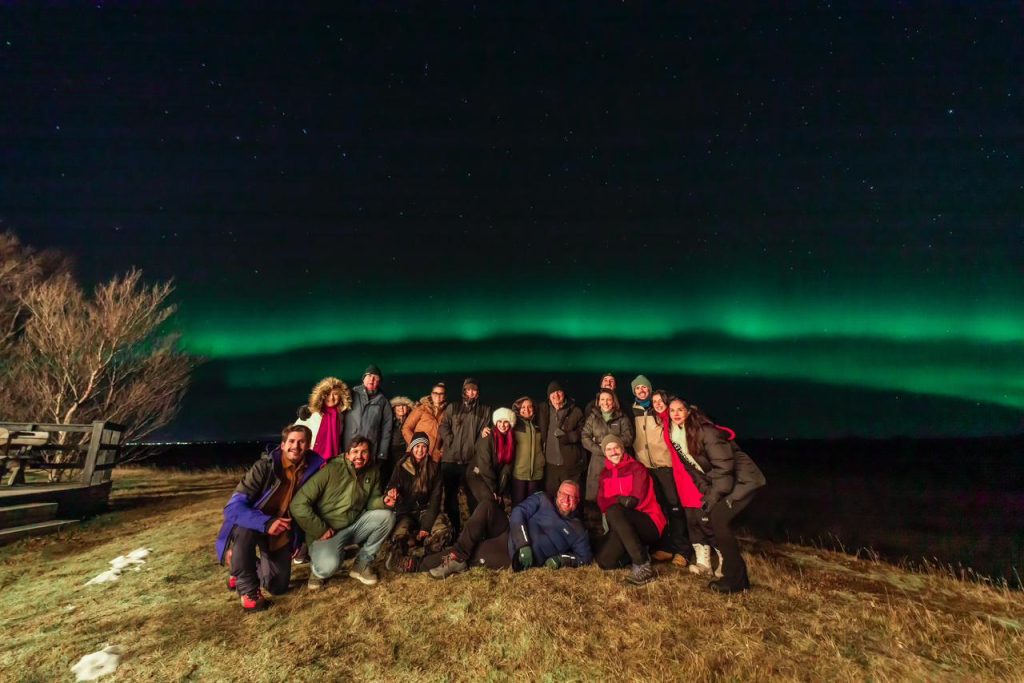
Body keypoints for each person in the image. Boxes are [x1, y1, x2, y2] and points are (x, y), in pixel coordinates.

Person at [215, 424, 325, 612]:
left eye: (301, 442)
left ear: (308, 446)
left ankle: (239, 564)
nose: (295, 446)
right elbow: (233, 507)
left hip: (281, 529)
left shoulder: (314, 470)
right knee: (244, 530)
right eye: (291, 441)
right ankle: (248, 590)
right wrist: (266, 522)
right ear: (282, 445)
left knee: (278, 587)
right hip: (254, 523)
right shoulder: (264, 467)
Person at [667, 398, 766, 593]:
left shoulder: (706, 432)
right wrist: (707, 492)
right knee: (717, 520)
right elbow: (694, 470)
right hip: (725, 484)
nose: (676, 414)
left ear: (688, 411)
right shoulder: (677, 437)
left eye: (680, 409)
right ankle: (738, 578)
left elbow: (724, 469)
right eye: (672, 410)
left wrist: (713, 498)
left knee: (719, 520)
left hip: (744, 482)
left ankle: (735, 578)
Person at [289, 436, 397, 588]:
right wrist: (320, 529)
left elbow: (372, 501)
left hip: (353, 525)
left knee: (387, 517)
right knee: (328, 567)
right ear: (347, 454)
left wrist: (383, 501)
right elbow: (298, 504)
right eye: (355, 451)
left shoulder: (373, 471)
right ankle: (317, 569)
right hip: (328, 531)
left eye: (364, 452)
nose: (359, 456)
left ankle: (361, 565)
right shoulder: (331, 469)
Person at [426, 480, 592, 578]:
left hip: (511, 556)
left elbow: (584, 557)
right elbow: (519, 511)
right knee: (487, 506)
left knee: (474, 554)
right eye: (564, 494)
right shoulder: (543, 499)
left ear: (578, 501)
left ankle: (421, 564)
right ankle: (458, 554)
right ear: (557, 493)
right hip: (510, 534)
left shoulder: (578, 530)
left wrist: (561, 559)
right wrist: (523, 543)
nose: (566, 500)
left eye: (572, 497)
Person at [595, 434, 666, 586]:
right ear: (604, 453)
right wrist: (620, 499)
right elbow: (602, 502)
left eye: (616, 448)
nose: (613, 452)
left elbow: (634, 500)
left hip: (647, 522)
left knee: (614, 510)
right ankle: (639, 549)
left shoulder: (637, 468)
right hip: (623, 526)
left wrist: (616, 501)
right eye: (609, 449)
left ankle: (642, 564)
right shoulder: (604, 474)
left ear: (622, 449)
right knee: (605, 561)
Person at [634, 385, 690, 567]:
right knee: (658, 508)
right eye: (637, 388)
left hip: (666, 467)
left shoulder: (663, 415)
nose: (657, 403)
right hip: (646, 468)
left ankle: (682, 550)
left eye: (644, 387)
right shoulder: (633, 411)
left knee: (675, 507)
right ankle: (666, 547)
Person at [384, 431, 447, 572]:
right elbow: (391, 485)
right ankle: (402, 556)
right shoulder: (401, 465)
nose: (420, 450)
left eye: (424, 447)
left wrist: (426, 526)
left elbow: (436, 499)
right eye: (417, 446)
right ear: (412, 447)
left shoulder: (434, 468)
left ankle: (426, 553)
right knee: (399, 537)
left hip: (426, 510)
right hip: (406, 512)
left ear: (427, 449)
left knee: (442, 531)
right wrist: (391, 493)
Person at [438, 377, 491, 534]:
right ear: (464, 391)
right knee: (450, 497)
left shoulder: (484, 410)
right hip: (450, 460)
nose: (471, 392)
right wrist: (451, 441)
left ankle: (474, 530)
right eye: (468, 389)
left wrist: (475, 447)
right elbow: (443, 426)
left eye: (474, 390)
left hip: (470, 461)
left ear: (478, 392)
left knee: (472, 496)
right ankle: (453, 529)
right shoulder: (453, 407)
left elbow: (484, 433)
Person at [582, 388, 635, 501]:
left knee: (615, 495)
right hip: (598, 461)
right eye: (602, 399)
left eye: (609, 400)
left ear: (614, 401)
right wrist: (601, 450)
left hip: (618, 461)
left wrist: (611, 448)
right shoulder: (593, 417)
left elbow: (628, 438)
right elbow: (585, 437)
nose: (605, 403)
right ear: (598, 402)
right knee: (595, 494)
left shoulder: (622, 417)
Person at [537, 380, 585, 498]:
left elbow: (584, 431)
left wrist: (568, 437)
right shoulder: (543, 410)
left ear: (564, 393)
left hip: (569, 463)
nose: (556, 395)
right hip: (550, 464)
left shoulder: (576, 411)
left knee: (571, 496)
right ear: (548, 397)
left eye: (559, 392)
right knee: (551, 496)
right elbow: (525, 412)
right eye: (552, 393)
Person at [344, 364, 393, 468]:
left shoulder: (383, 402)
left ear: (379, 382)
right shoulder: (350, 394)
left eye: (375, 377)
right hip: (348, 448)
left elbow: (386, 430)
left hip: (369, 451)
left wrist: (382, 454)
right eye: (369, 375)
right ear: (363, 379)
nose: (372, 379)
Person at [466, 407, 516, 508]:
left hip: (491, 477)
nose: (502, 425)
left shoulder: (511, 441)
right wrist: (493, 489)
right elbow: (485, 465)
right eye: (499, 421)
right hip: (477, 474)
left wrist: (499, 491)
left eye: (506, 422)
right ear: (496, 422)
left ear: (510, 424)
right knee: (489, 501)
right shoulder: (488, 436)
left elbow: (506, 470)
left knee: (498, 504)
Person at [293, 377, 352, 461]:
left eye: (335, 394)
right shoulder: (312, 412)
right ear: (322, 396)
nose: (331, 398)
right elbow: (294, 433)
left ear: (341, 396)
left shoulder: (341, 416)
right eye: (327, 394)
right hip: (310, 458)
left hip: (333, 460)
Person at [510, 396, 544, 505]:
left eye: (530, 407)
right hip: (519, 473)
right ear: (518, 409)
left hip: (536, 474)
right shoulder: (514, 425)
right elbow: (500, 428)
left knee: (532, 505)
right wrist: (485, 430)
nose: (527, 410)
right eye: (523, 407)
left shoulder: (539, 425)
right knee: (518, 505)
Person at [402, 382, 447, 462]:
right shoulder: (422, 409)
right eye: (435, 393)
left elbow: (447, 434)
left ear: (445, 396)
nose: (438, 396)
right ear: (431, 394)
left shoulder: (447, 412)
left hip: (433, 457)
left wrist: (441, 451)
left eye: (441, 394)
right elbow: (406, 428)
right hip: (416, 453)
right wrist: (416, 445)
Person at [387, 395, 416, 483]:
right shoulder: (389, 420)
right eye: (398, 406)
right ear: (394, 408)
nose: (401, 408)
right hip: (391, 451)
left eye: (404, 405)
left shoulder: (412, 420)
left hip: (406, 450)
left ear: (408, 408)